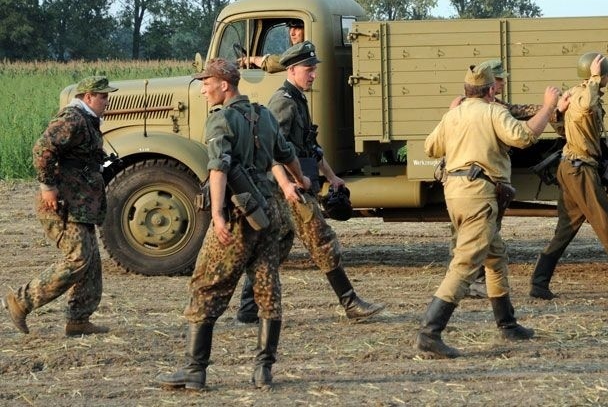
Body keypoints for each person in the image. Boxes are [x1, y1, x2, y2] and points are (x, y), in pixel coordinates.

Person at [155, 59, 309, 391]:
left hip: (239, 216)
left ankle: (195, 370)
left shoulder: (221, 120)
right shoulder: (264, 115)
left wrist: (218, 216)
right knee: (268, 289)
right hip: (267, 215)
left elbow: (219, 169)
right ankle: (263, 370)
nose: (203, 88)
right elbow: (286, 154)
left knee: (205, 287)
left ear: (225, 85)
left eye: (207, 82)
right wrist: (302, 179)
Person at [417, 63, 560, 358]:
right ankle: (430, 332)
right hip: (479, 194)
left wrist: (451, 118)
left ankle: (507, 324)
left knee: (495, 256)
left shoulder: (453, 114)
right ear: (491, 89)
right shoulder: (494, 112)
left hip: (455, 192)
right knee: (467, 263)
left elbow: (430, 148)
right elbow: (523, 137)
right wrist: (548, 108)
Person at [235, 41, 384, 324]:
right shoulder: (282, 103)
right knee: (323, 241)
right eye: (309, 69)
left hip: (295, 185)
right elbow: (270, 151)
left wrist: (331, 176)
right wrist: (287, 185)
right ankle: (351, 303)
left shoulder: (298, 100)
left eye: (314, 69)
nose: (313, 74)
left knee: (272, 249)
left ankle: (247, 310)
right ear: (291, 70)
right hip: (288, 189)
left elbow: (309, 148)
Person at [3, 76, 118, 337]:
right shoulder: (73, 119)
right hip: (64, 203)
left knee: (90, 262)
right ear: (88, 97)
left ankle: (78, 320)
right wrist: (48, 187)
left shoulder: (87, 121)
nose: (106, 101)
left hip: (81, 204)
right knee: (78, 258)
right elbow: (42, 148)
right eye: (103, 97)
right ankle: (21, 301)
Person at [448, 58, 563, 299]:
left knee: (487, 241)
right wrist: (549, 107)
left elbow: (517, 110)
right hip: (474, 180)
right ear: (489, 83)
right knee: (472, 236)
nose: (501, 84)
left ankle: (480, 287)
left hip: (464, 182)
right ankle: (464, 286)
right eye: (499, 80)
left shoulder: (477, 106)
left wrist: (550, 107)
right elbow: (522, 134)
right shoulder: (479, 108)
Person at [528, 52, 608, 301]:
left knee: (566, 228)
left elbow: (565, 128)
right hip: (579, 169)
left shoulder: (576, 95)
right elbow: (586, 106)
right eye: (606, 73)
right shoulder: (583, 95)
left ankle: (539, 282)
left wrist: (559, 110)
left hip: (572, 166)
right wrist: (595, 78)